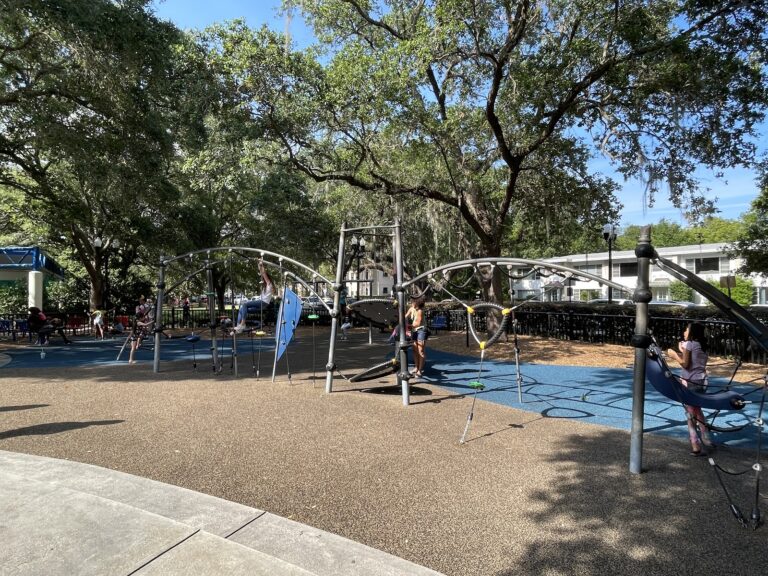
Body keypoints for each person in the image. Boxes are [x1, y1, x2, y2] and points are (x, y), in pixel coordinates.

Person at [667, 322, 715, 456]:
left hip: (690, 382)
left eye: (686, 330)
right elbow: (695, 359)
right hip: (702, 381)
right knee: (697, 409)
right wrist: (683, 351)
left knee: (690, 414)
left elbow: (686, 364)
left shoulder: (690, 344)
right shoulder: (702, 346)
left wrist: (674, 355)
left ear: (692, 332)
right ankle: (706, 439)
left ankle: (695, 444)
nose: (684, 332)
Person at [232, 260, 274, 334]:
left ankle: (242, 324)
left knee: (245, 304)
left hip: (263, 303)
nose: (263, 280)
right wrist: (259, 266)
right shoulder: (266, 286)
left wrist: (261, 265)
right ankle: (238, 327)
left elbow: (264, 273)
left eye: (263, 279)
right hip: (263, 304)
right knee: (242, 309)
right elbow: (262, 273)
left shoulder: (269, 284)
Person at [406, 296, 428, 377]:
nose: (411, 303)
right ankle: (416, 367)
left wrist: (408, 326)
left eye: (413, 302)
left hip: (421, 330)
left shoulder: (420, 311)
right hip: (414, 330)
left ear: (417, 303)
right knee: (414, 350)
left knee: (420, 350)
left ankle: (419, 370)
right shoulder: (412, 308)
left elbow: (417, 323)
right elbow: (405, 316)